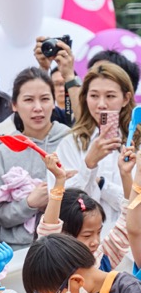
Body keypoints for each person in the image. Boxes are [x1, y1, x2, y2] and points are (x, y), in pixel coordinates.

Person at [0, 68, 71, 248]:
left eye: (44, 99)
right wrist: (29, 203)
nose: (38, 108)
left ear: (53, 101)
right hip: (18, 250)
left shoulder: (70, 140)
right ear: (14, 105)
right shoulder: (4, 151)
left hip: (67, 246)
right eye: (28, 100)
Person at [55, 61, 134, 236]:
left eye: (111, 96)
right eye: (94, 96)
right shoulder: (70, 143)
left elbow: (136, 202)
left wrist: (102, 184)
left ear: (126, 98)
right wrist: (89, 165)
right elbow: (63, 205)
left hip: (132, 242)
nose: (101, 104)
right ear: (85, 97)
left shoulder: (136, 142)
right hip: (82, 245)